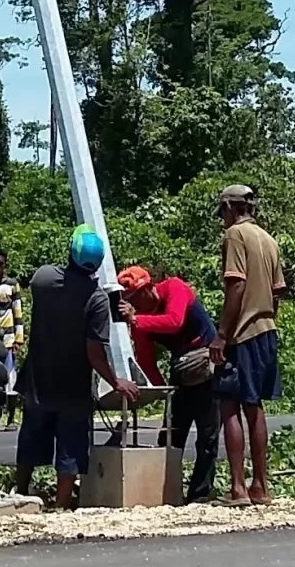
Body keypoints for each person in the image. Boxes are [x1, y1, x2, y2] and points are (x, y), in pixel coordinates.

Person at [14, 226, 139, 506]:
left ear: (70, 252)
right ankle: (61, 505)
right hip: (73, 386)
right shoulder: (96, 300)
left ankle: (20, 494)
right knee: (70, 447)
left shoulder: (43, 279)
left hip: (39, 380)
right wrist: (116, 380)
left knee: (31, 437)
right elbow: (94, 352)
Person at [117, 264, 220, 503]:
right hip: (181, 371)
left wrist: (137, 320)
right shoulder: (140, 322)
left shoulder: (175, 288)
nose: (135, 304)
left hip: (207, 363)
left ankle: (200, 493)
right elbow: (146, 360)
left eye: (135, 298)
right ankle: (168, 489)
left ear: (147, 289)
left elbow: (174, 320)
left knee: (208, 435)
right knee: (171, 434)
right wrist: (162, 391)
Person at [209, 185, 285, 505]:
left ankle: (238, 488)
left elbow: (236, 285)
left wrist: (222, 335)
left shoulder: (234, 236)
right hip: (267, 330)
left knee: (229, 406)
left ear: (229, 207)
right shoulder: (269, 240)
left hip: (243, 334)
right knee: (254, 408)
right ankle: (261, 486)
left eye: (222, 212)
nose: (222, 219)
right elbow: (277, 291)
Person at [0, 250, 23, 406]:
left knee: (10, 379)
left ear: (5, 265)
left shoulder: (12, 285)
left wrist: (18, 339)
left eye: (0, 263)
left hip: (8, 340)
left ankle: (11, 417)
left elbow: (18, 312)